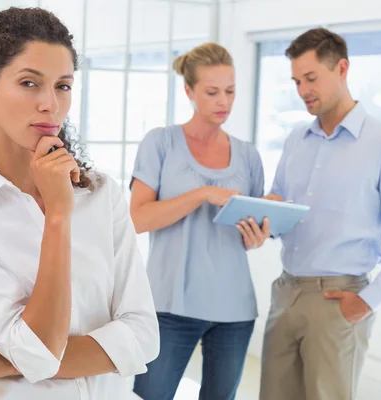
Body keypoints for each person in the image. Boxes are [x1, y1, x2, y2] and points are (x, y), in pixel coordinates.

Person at [0, 7, 159, 399]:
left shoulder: (102, 194)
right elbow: (41, 353)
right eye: (29, 83)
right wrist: (59, 214)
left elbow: (144, 336)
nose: (50, 104)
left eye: (63, 86)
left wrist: (10, 360)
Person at [259, 27, 381, 400]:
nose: (303, 90)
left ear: (342, 69)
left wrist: (367, 301)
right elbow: (283, 207)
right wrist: (265, 218)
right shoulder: (295, 140)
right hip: (286, 292)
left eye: (311, 78)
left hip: (340, 300)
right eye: (296, 80)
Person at [131, 42, 270, 400]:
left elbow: (247, 231)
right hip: (169, 307)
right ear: (189, 91)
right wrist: (202, 194)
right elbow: (137, 219)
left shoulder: (248, 156)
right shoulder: (160, 143)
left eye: (230, 91)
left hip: (234, 310)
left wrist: (256, 237)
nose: (223, 101)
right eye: (212, 92)